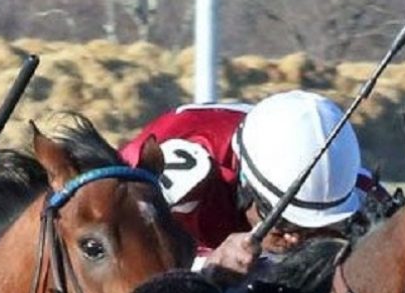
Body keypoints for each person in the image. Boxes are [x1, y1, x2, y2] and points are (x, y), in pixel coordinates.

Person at [118, 89, 385, 282]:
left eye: (312, 229)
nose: (295, 241)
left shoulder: (354, 189)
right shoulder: (160, 174)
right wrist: (202, 270)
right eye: (282, 225)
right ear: (245, 185)